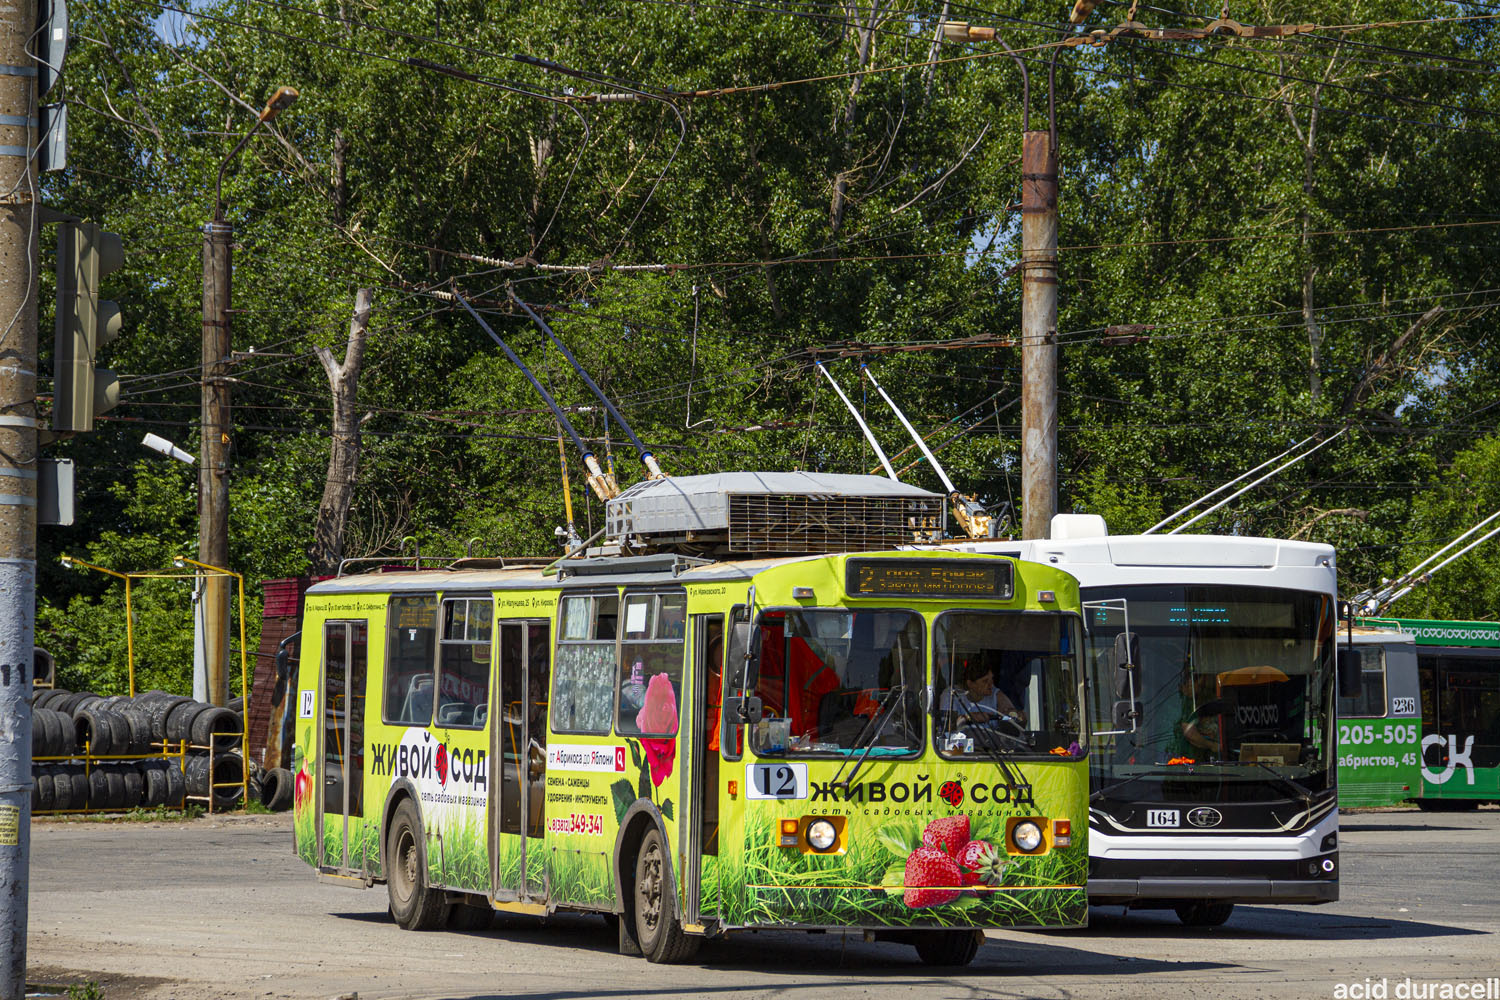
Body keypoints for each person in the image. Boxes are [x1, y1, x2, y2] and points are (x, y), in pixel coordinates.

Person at [940, 657, 1024, 727]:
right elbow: (946, 726)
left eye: (992, 679)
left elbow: (1015, 717)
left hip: (992, 744)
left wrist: (1016, 715)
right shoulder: (951, 694)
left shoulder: (995, 693)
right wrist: (969, 717)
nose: (991, 684)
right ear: (970, 684)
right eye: (985, 681)